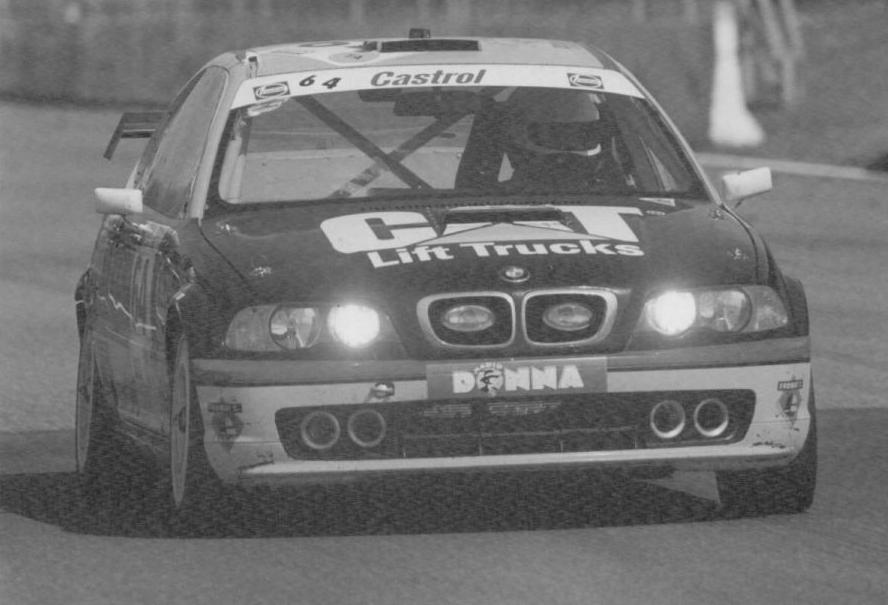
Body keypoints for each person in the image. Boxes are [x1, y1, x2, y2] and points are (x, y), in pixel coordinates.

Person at [500, 88, 627, 193]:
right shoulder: (617, 196)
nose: (568, 153)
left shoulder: (619, 195)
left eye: (583, 135)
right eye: (557, 136)